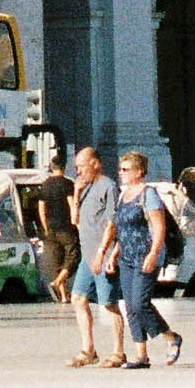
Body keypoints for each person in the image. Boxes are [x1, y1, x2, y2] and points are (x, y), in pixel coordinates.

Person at [111, 151, 183, 370]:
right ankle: (141, 355)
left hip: (145, 255)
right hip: (127, 257)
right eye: (120, 169)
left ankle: (171, 337)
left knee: (141, 304)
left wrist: (153, 254)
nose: (121, 173)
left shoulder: (148, 194)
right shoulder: (123, 196)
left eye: (125, 169)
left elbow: (159, 228)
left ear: (139, 172)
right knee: (130, 307)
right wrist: (114, 254)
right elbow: (121, 228)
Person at [67, 145, 124, 368]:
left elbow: (112, 223)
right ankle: (88, 349)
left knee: (109, 304)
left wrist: (103, 253)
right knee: (78, 299)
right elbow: (75, 220)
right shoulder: (86, 188)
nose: (78, 172)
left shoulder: (108, 186)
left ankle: (119, 351)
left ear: (95, 163)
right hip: (87, 256)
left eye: (81, 167)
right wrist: (77, 193)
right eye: (76, 168)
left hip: (103, 254)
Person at [34, 169, 77, 308]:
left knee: (56, 262)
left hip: (50, 230)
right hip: (66, 228)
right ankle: (58, 281)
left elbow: (41, 209)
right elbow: (72, 204)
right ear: (64, 167)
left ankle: (64, 296)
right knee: (74, 255)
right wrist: (76, 222)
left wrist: (45, 227)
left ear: (52, 168)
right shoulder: (68, 183)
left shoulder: (45, 185)